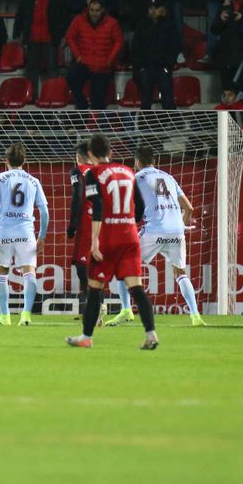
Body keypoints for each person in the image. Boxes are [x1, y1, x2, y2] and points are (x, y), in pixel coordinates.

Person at [66, 134, 158, 350]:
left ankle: (86, 337)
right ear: (111, 152)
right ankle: (151, 334)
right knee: (136, 288)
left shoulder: (93, 174)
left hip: (108, 237)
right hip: (130, 236)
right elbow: (141, 206)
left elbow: (97, 206)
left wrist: (95, 240)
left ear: (90, 154)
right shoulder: (128, 172)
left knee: (95, 287)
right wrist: (128, 222)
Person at [108, 146, 205, 327]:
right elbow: (189, 208)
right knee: (180, 272)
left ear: (137, 162)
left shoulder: (136, 178)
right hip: (176, 231)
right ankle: (195, 316)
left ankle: (126, 310)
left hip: (155, 230)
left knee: (120, 262)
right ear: (154, 161)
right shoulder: (169, 177)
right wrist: (181, 226)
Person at [0, 143, 49, 326]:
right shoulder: (34, 181)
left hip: (3, 230)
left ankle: (5, 316)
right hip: (26, 232)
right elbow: (44, 211)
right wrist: (42, 235)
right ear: (24, 161)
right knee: (30, 272)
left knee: (1, 273)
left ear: (6, 161)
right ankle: (26, 314)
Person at [66, 141, 106, 324]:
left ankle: (95, 306)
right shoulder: (102, 172)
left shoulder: (77, 171)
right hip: (104, 223)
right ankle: (97, 305)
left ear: (79, 157)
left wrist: (73, 224)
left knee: (83, 268)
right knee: (95, 265)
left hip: (87, 223)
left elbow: (77, 195)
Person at [65, 0, 123, 110]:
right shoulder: (79, 20)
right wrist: (78, 56)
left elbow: (119, 41)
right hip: (85, 63)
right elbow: (69, 37)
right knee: (71, 76)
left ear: (102, 10)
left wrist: (109, 60)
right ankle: (81, 105)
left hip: (103, 66)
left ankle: (98, 125)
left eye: (97, 10)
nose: (94, 13)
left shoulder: (112, 23)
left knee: (98, 102)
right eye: (92, 10)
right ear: (88, 9)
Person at [131, 0, 180, 110]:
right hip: (146, 68)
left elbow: (175, 46)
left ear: (162, 9)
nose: (153, 11)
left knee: (168, 99)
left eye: (156, 8)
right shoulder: (141, 25)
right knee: (145, 99)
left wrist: (168, 65)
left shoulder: (169, 25)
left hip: (163, 67)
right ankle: (145, 126)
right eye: (150, 8)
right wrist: (141, 67)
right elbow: (135, 48)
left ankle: (171, 124)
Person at [12, 0, 66, 95]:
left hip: (51, 39)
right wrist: (16, 34)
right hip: (32, 39)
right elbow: (19, 16)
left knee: (52, 69)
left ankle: (52, 96)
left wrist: (64, 35)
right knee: (32, 70)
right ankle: (32, 97)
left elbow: (63, 16)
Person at [211, 0, 243, 100]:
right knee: (227, 97)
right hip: (225, 58)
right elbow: (214, 29)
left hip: (242, 59)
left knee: (242, 96)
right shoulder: (226, 5)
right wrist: (221, 19)